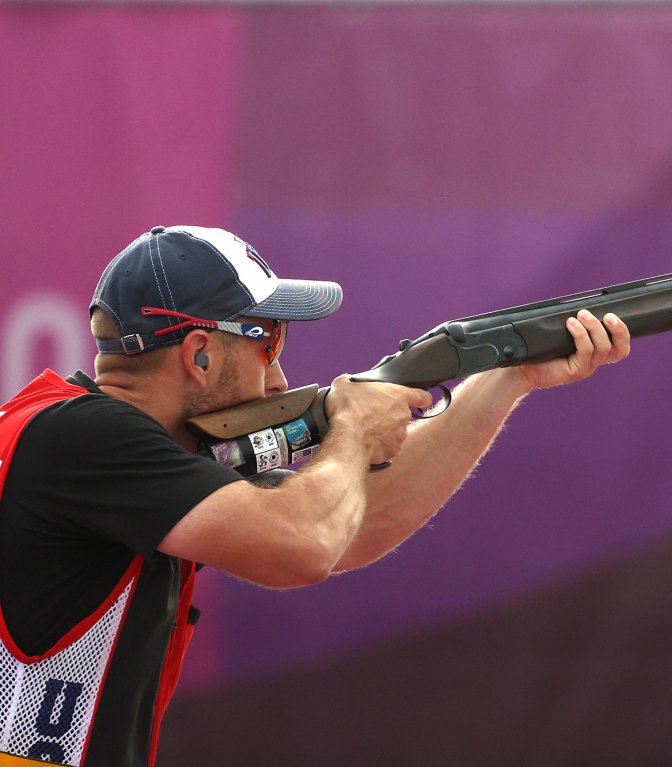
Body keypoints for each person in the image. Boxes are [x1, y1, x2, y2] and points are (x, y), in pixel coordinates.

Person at [0, 225, 630, 767]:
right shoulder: (83, 438)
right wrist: (351, 432)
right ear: (200, 355)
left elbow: (352, 529)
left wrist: (505, 379)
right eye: (267, 341)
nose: (278, 376)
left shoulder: (113, 450)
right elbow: (302, 543)